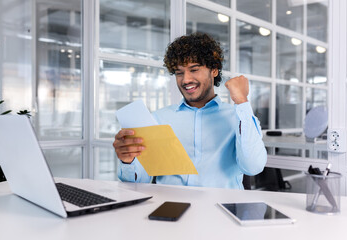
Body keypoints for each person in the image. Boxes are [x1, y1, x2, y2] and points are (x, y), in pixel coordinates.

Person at [113, 33, 267, 189]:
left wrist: (241, 101)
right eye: (179, 73)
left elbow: (253, 167)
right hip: (170, 207)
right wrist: (128, 160)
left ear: (214, 70)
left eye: (194, 70)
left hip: (220, 209)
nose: (185, 80)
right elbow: (139, 182)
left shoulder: (239, 117)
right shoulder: (158, 119)